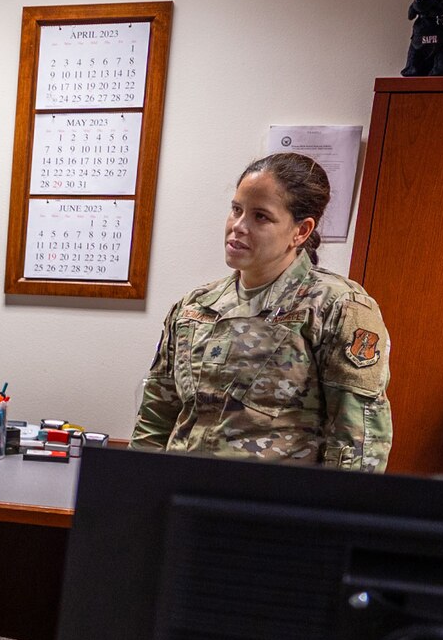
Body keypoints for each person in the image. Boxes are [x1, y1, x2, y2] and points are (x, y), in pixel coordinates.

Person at [132, 153, 391, 471]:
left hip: (272, 508)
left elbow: (358, 443)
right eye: (236, 210)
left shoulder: (336, 307)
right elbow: (156, 419)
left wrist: (333, 517)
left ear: (301, 231)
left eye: (261, 217)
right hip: (184, 499)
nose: (238, 227)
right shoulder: (194, 307)